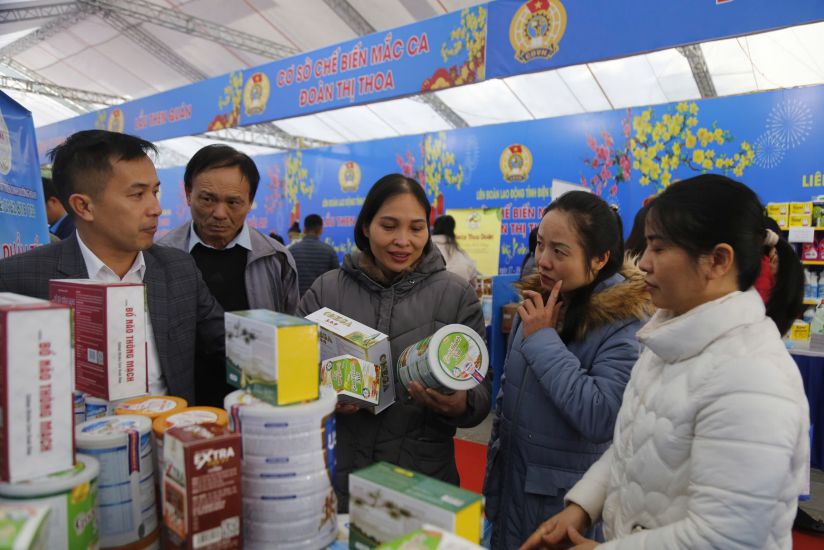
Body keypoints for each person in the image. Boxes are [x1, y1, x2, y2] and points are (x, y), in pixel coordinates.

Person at [522, 175, 809, 550]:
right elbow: (637, 444)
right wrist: (581, 506)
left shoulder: (752, 376)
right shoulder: (667, 342)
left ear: (718, 260)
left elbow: (728, 536)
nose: (643, 263)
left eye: (658, 248)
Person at [298, 173, 490, 512]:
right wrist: (323, 395)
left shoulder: (456, 296)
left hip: (420, 477)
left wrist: (458, 404)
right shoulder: (326, 290)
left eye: (416, 228)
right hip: (337, 473)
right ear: (366, 226)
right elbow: (291, 371)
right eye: (389, 226)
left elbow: (480, 394)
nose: (403, 240)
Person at [0, 130, 224, 403]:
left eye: (155, 191)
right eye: (137, 194)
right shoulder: (18, 280)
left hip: (166, 433)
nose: (155, 208)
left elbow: (225, 342)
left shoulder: (178, 269)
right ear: (84, 207)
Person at [484, 191, 652, 550]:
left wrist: (543, 339)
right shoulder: (538, 302)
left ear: (600, 258)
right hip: (509, 483)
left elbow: (601, 416)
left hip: (563, 503)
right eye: (540, 245)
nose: (542, 260)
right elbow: (507, 394)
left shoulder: (624, 322)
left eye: (559, 251)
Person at [158, 144, 299, 405]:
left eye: (233, 202)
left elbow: (289, 329)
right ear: (188, 194)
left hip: (257, 403)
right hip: (184, 406)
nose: (220, 214)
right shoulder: (161, 257)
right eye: (208, 199)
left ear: (250, 202)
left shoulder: (275, 259)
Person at [289, 213, 340, 297]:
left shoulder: (291, 251)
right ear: (321, 230)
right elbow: (337, 281)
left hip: (297, 303)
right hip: (322, 302)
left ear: (304, 229)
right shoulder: (329, 251)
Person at [431, 214, 479, 285]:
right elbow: (473, 281)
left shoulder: (423, 249)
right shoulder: (461, 255)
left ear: (434, 228)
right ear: (452, 229)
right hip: (457, 293)